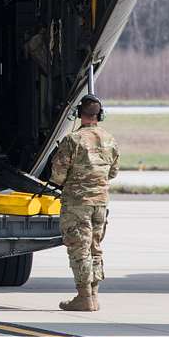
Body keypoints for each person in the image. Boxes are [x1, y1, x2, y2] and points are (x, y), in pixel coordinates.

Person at [49, 94, 119, 311]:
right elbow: (113, 172)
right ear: (100, 115)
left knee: (79, 248)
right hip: (100, 203)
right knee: (95, 247)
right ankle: (94, 295)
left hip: (77, 203)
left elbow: (58, 176)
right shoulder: (109, 140)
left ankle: (84, 296)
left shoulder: (73, 140)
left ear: (80, 114)